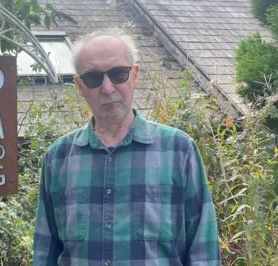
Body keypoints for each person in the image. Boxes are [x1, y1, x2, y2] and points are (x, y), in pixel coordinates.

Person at [32, 28, 222, 266]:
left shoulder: (179, 150)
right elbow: (45, 252)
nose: (108, 88)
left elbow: (204, 252)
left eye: (118, 74)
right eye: (93, 78)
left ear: (136, 76)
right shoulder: (58, 158)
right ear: (79, 86)